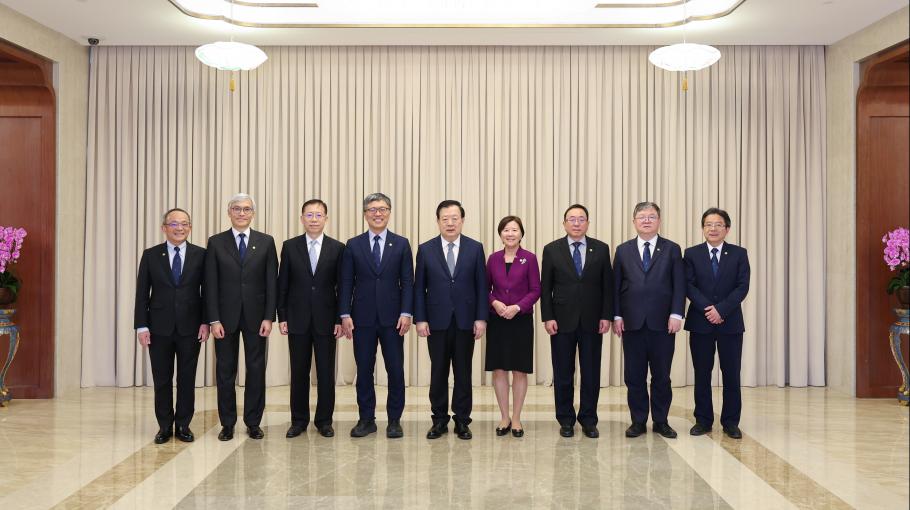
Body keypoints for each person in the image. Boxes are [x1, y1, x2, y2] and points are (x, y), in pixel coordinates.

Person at [339, 193, 413, 439]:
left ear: (389, 212)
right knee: (364, 369)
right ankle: (366, 419)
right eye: (372, 209)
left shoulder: (401, 244)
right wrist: (345, 314)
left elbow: (408, 283)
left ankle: (394, 420)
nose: (377, 214)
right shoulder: (353, 244)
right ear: (365, 214)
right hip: (362, 319)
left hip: (394, 320)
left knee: (395, 370)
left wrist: (406, 312)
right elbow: (346, 281)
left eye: (382, 209)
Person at [205, 193, 278, 441]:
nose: (241, 213)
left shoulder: (266, 242)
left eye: (246, 209)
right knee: (225, 371)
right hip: (224, 320)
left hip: (257, 319)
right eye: (236, 209)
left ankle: (253, 421)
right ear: (229, 213)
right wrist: (213, 319)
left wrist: (269, 317)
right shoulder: (215, 243)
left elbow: (272, 283)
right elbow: (210, 284)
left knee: (256, 369)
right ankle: (227, 423)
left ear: (253, 213)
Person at [415, 200, 488, 441]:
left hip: (466, 320)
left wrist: (481, 318)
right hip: (436, 321)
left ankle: (462, 421)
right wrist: (420, 319)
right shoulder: (425, 249)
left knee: (463, 372)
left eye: (454, 218)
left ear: (462, 221)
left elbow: (481, 286)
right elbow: (419, 289)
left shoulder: (475, 248)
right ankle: (438, 420)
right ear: (437, 221)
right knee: (438, 372)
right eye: (445, 218)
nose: (450, 222)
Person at [134, 208, 208, 444]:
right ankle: (164, 426)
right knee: (162, 379)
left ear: (190, 227)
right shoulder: (151, 255)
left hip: (191, 327)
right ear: (164, 227)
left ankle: (184, 425)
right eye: (174, 224)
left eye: (184, 224)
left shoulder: (201, 255)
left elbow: (207, 293)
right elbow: (141, 294)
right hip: (158, 328)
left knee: (187, 379)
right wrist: (141, 326)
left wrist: (206, 321)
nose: (180, 228)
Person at [612, 201, 685, 439]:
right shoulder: (623, 250)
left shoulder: (672, 249)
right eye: (641, 216)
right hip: (631, 322)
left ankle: (661, 421)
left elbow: (679, 284)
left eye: (651, 216)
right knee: (634, 375)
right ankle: (638, 421)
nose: (646, 220)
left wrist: (676, 313)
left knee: (662, 375)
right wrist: (617, 315)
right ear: (634, 221)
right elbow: (615, 286)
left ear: (659, 221)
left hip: (663, 323)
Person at [540, 204, 614, 439]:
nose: (576, 223)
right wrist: (548, 316)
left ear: (588, 223)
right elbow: (545, 288)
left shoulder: (601, 249)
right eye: (571, 219)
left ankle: (589, 419)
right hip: (561, 321)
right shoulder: (552, 249)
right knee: (563, 372)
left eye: (581, 219)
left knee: (591, 372)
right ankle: (566, 419)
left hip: (593, 321)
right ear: (564, 223)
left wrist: (606, 315)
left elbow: (607, 287)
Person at [277, 199, 346, 439]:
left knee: (326, 372)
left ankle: (324, 421)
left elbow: (342, 287)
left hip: (328, 321)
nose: (314, 219)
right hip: (297, 319)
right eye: (309, 215)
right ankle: (298, 420)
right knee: (299, 372)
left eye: (318, 215)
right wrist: (282, 315)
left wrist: (340, 318)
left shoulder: (338, 248)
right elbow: (282, 284)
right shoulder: (290, 246)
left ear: (326, 218)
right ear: (302, 218)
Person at [684, 207, 750, 439]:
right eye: (708, 224)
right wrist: (708, 309)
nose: (713, 228)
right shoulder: (691, 254)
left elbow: (742, 286)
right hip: (700, 323)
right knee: (702, 373)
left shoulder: (739, 253)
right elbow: (689, 285)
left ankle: (731, 422)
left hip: (730, 322)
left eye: (718, 224)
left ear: (727, 228)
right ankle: (703, 420)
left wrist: (721, 310)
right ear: (703, 228)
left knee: (731, 372)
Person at [485, 215, 540, 438]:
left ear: (521, 234)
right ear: (500, 234)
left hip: (521, 320)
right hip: (497, 319)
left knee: (519, 369)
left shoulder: (530, 258)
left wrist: (517, 307)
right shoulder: (493, 258)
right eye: (506, 230)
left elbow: (536, 289)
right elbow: (484, 288)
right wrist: (495, 303)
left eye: (514, 230)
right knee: (499, 369)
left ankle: (516, 417)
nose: (510, 234)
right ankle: (504, 416)